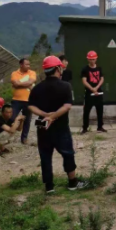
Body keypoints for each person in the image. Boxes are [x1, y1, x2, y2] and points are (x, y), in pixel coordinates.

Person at [28, 56, 87, 193]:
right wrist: (53, 116)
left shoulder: (37, 88)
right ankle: (72, 183)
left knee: (45, 156)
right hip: (61, 127)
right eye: (60, 68)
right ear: (57, 69)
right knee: (67, 153)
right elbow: (67, 106)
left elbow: (30, 106)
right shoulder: (65, 86)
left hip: (43, 128)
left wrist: (45, 115)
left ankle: (49, 187)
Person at [10, 58, 36, 144]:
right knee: (11, 118)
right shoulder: (14, 73)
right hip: (16, 100)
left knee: (27, 120)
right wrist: (28, 84)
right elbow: (15, 83)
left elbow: (30, 81)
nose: (29, 66)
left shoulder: (32, 73)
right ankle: (8, 135)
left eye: (29, 64)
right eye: (26, 64)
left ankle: (24, 138)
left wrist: (18, 84)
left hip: (29, 100)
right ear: (21, 65)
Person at [81, 51, 106, 134]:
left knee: (100, 110)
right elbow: (84, 81)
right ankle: (85, 128)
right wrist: (92, 89)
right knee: (86, 111)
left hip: (98, 93)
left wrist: (96, 88)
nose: (92, 61)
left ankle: (100, 127)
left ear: (96, 59)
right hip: (89, 93)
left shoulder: (99, 68)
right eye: (90, 59)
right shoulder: (85, 69)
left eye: (93, 59)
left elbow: (102, 79)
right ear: (88, 59)